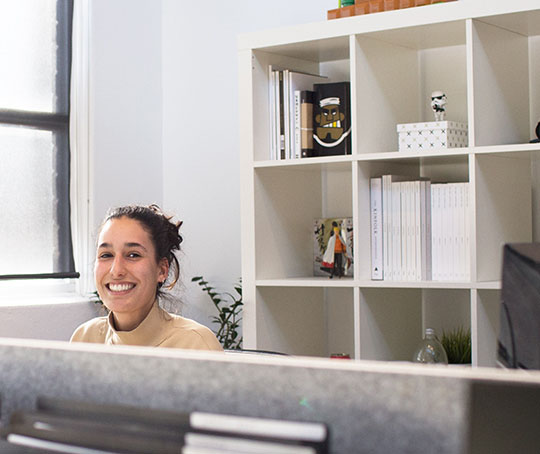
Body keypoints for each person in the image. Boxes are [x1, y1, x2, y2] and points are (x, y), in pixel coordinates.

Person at [70, 204, 223, 351]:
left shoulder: (195, 344)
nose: (116, 271)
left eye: (133, 255)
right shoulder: (85, 338)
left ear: (162, 270)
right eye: (106, 255)